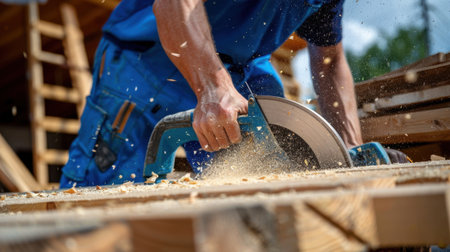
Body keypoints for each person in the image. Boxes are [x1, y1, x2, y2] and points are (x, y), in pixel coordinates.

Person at [60, 0, 406, 188]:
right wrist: (212, 86)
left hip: (241, 66)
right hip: (147, 58)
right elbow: (172, 6)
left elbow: (329, 60)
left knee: (264, 186)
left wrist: (348, 150)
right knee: (103, 199)